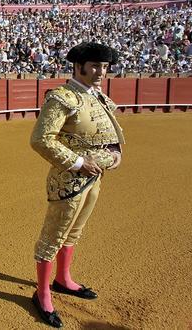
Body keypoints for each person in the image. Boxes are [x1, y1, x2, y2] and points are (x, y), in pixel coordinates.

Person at [29, 42, 125, 328]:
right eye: (95, 66)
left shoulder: (99, 98)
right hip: (68, 179)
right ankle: (43, 293)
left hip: (94, 177)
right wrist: (78, 163)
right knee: (53, 236)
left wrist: (116, 154)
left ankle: (63, 279)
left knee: (75, 231)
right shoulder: (62, 97)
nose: (100, 72)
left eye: (104, 67)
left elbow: (110, 134)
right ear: (78, 66)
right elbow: (41, 139)